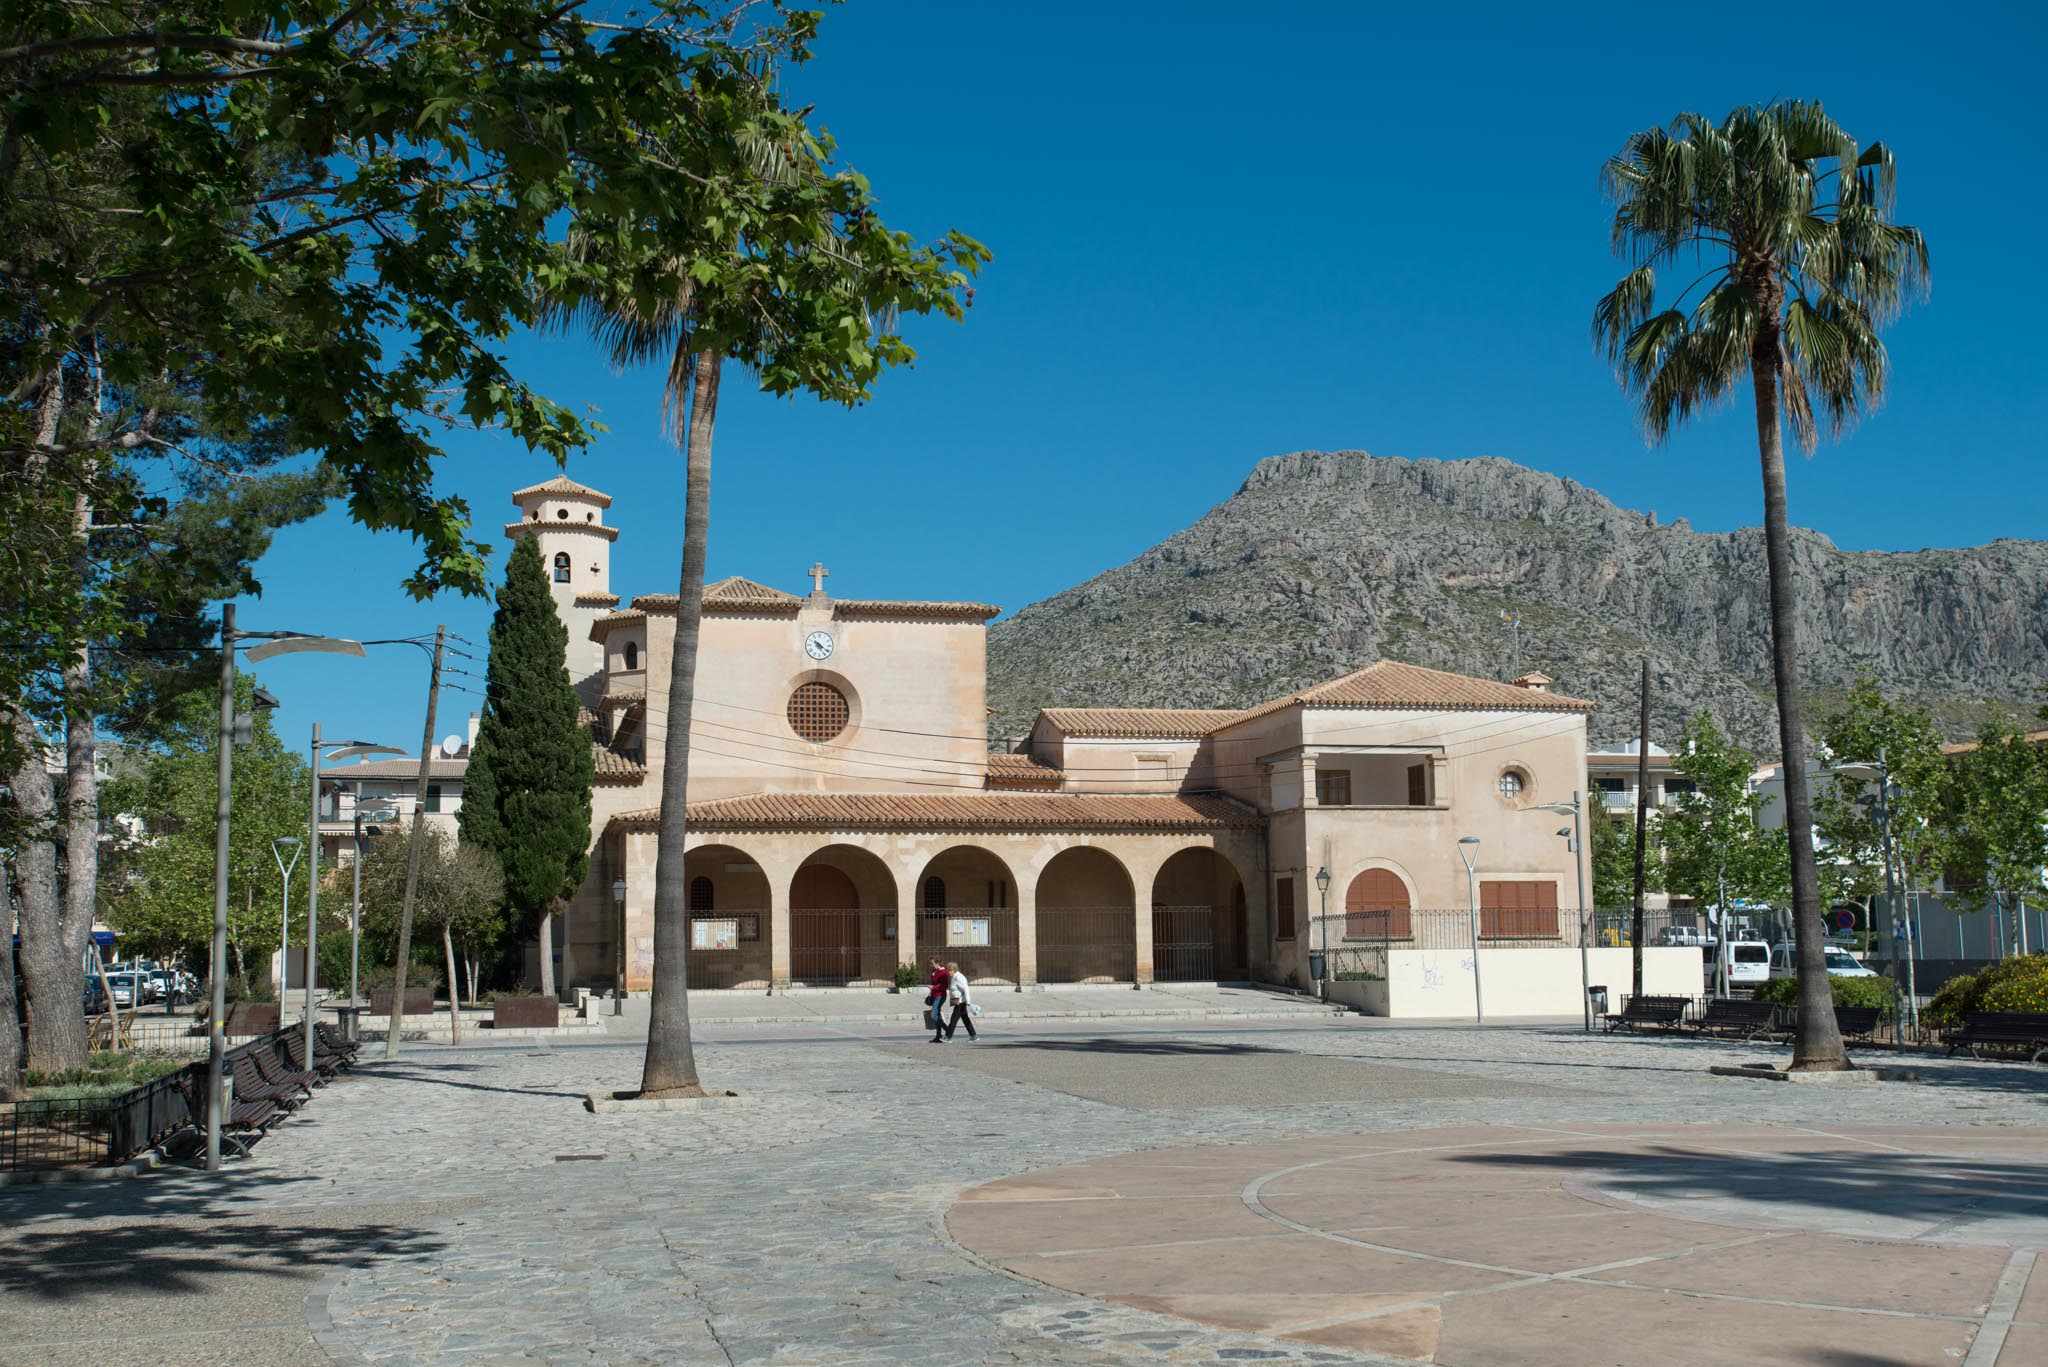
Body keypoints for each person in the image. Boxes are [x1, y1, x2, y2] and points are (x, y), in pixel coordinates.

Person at [943, 961, 977, 1041]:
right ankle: (973, 1035)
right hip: (960, 1001)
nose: (948, 973)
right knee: (965, 1019)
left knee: (953, 1019)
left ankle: (948, 1037)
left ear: (953, 970)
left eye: (949, 970)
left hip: (961, 1002)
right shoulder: (955, 976)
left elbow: (966, 989)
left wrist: (968, 1001)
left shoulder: (958, 977)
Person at [926, 958, 951, 1043]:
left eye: (932, 964)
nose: (930, 965)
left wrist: (933, 987)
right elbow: (934, 983)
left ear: (937, 964)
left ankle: (948, 1030)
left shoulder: (944, 973)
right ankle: (938, 1036)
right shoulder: (934, 972)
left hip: (940, 996)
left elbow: (943, 986)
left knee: (933, 1015)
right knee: (937, 1015)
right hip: (934, 995)